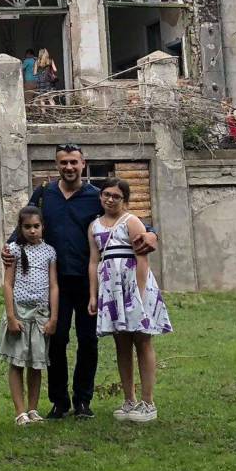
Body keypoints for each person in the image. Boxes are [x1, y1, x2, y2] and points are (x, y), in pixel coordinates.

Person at [1, 144, 158, 420]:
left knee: (88, 341)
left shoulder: (95, 196)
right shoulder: (45, 195)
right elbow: (24, 223)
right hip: (54, 283)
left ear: (83, 164)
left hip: (89, 282)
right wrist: (9, 245)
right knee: (56, 339)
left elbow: (123, 215)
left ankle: (83, 401)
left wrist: (152, 234)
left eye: (74, 162)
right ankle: (59, 402)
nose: (69, 167)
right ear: (57, 165)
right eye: (64, 163)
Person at [88, 178, 172, 422]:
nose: (110, 199)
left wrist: (140, 294)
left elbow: (142, 258)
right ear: (100, 196)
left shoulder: (132, 221)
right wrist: (93, 295)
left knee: (142, 342)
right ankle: (129, 399)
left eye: (116, 196)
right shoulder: (94, 226)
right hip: (110, 289)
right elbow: (94, 261)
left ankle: (148, 402)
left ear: (124, 200)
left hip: (134, 286)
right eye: (106, 194)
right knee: (121, 344)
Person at [0, 205, 58, 426]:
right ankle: (20, 411)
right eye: (27, 227)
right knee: (17, 362)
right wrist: (11, 316)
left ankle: (33, 409)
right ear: (20, 228)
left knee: (36, 363)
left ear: (43, 227)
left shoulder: (50, 252)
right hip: (20, 313)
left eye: (36, 226)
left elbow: (54, 286)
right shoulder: (13, 250)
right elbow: (7, 283)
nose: (32, 231)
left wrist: (53, 318)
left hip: (41, 314)